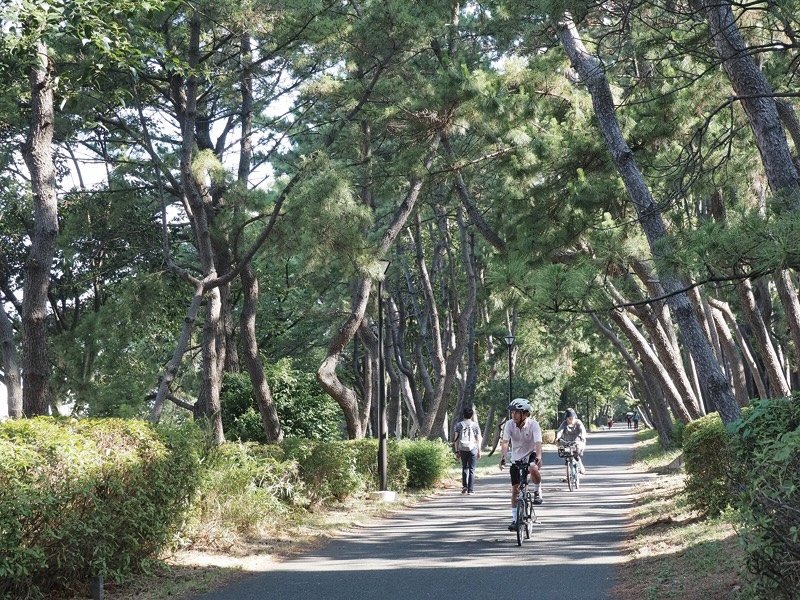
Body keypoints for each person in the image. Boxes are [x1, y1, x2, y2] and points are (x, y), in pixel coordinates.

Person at [499, 398, 544, 531]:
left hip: (531, 454)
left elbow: (538, 442)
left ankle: (537, 491)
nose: (514, 415)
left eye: (517, 413)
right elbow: (505, 442)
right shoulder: (509, 424)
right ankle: (515, 520)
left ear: (525, 414)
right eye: (512, 413)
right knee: (515, 490)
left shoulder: (533, 425)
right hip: (516, 458)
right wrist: (503, 457)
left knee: (532, 467)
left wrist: (539, 457)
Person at [453, 407, 482, 495]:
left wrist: (457, 451)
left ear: (463, 415)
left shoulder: (459, 425)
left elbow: (456, 439)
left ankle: (464, 486)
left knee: (464, 467)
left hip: (462, 448)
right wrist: (479, 451)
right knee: (472, 469)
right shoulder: (475, 425)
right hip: (473, 448)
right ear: (472, 415)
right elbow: (478, 439)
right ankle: (470, 489)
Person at [554, 408, 587, 477]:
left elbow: (582, 430)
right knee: (566, 456)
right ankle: (567, 476)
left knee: (576, 454)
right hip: (567, 442)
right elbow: (560, 431)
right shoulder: (564, 423)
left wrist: (583, 437)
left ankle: (581, 467)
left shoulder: (578, 422)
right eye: (569, 418)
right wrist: (558, 438)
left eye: (572, 418)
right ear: (566, 418)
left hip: (577, 442)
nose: (571, 420)